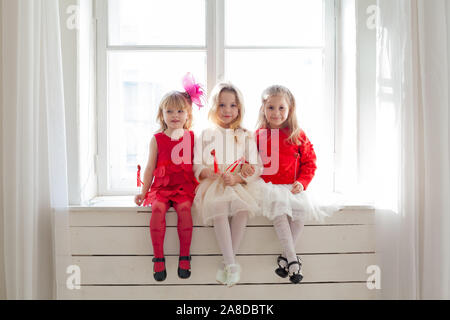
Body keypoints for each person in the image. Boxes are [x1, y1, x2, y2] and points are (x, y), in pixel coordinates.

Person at [244, 85, 329, 284]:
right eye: (271, 107)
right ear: (263, 109)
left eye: (281, 107)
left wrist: (302, 181)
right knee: (280, 214)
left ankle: (286, 258)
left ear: (290, 109)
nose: (276, 112)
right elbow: (249, 159)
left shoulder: (297, 134)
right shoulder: (258, 135)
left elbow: (310, 162)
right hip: (269, 187)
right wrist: (246, 168)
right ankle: (292, 260)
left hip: (292, 186)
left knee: (300, 215)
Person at [135, 74, 204, 282]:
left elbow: (198, 165)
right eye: (170, 111)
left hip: (184, 186)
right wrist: (143, 192)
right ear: (161, 114)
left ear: (188, 114)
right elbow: (149, 168)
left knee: (184, 209)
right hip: (163, 188)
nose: (175, 115)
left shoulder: (192, 137)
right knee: (157, 209)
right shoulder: (157, 139)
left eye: (180, 111)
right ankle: (158, 258)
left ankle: (185, 256)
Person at [192, 82, 263, 287]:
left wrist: (240, 177)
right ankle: (231, 264)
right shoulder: (206, 134)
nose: (227, 110)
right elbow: (196, 163)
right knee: (218, 206)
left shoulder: (245, 134)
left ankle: (228, 262)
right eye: (222, 105)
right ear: (214, 107)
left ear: (239, 108)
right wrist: (208, 173)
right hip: (215, 182)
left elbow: (257, 166)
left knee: (242, 209)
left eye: (232, 105)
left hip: (238, 183)